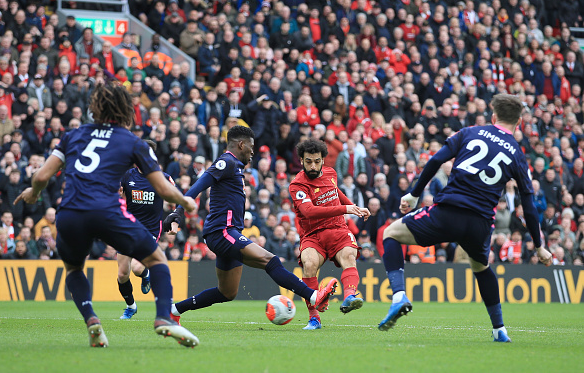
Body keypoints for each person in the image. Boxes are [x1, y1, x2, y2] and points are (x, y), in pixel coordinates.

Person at [15, 82, 199, 348]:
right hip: (106, 212)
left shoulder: (73, 135)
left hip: (69, 213)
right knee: (156, 259)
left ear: (94, 109)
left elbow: (42, 175)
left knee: (75, 269)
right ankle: (162, 319)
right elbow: (163, 188)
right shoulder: (132, 141)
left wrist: (33, 193)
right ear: (126, 109)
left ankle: (92, 320)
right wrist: (185, 202)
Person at [378, 94, 552, 342]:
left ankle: (398, 296)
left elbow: (436, 159)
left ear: (493, 117)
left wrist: (415, 194)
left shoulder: (470, 132)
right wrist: (538, 246)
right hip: (480, 224)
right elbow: (529, 205)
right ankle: (499, 330)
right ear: (519, 122)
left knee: (390, 234)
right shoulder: (517, 153)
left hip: (448, 212)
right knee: (481, 267)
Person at [163, 126, 337, 323]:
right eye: (251, 147)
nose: (253, 151)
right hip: (222, 232)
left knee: (227, 292)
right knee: (270, 261)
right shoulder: (226, 161)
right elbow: (198, 185)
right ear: (241, 144)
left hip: (226, 233)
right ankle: (314, 296)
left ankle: (174, 310)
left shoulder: (235, 166)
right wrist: (178, 211)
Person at [289, 139, 370, 330]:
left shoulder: (331, 173)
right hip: (313, 233)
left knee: (349, 255)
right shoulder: (297, 185)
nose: (313, 166)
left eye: (317, 161)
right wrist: (345, 208)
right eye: (308, 161)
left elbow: (335, 191)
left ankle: (350, 296)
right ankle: (314, 318)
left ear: (323, 160)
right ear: (301, 160)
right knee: (308, 264)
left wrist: (353, 207)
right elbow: (309, 211)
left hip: (337, 229)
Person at [116, 139, 176, 320]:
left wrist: (174, 221)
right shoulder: (127, 176)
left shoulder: (162, 178)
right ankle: (131, 306)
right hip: (127, 227)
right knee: (122, 274)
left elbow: (177, 200)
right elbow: (116, 195)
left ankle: (146, 274)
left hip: (149, 229)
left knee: (136, 268)